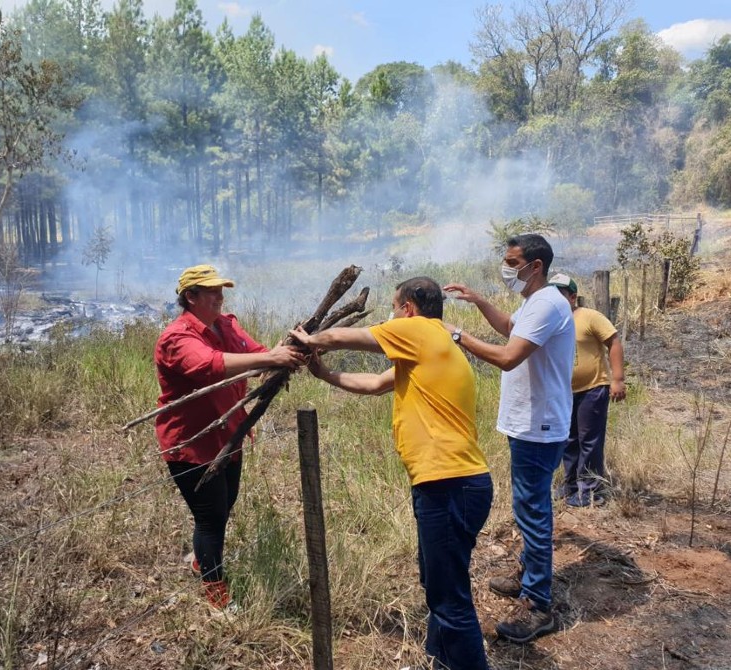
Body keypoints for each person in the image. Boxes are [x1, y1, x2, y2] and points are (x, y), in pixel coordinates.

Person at [290, 277, 492, 670]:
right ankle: (441, 660)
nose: (392, 315)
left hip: (449, 484)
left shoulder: (419, 330)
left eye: (394, 307)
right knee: (438, 585)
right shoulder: (429, 349)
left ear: (409, 308)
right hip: (450, 484)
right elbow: (373, 384)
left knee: (450, 600)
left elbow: (348, 337)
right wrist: (325, 374)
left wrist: (309, 340)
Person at [443, 234, 574, 644]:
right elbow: (510, 329)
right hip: (529, 423)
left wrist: (457, 335)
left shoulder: (549, 303)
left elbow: (507, 356)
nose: (507, 269)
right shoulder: (534, 301)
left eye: (513, 262)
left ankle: (538, 603)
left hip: (540, 426)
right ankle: (529, 573)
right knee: (527, 506)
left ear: (536, 266)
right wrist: (479, 301)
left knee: (533, 509)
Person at [154, 264, 303, 609]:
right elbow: (210, 364)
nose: (219, 297)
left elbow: (257, 355)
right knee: (210, 518)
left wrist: (288, 351)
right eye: (211, 291)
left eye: (220, 290)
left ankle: (200, 560)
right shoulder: (176, 338)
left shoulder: (226, 325)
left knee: (224, 505)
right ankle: (216, 592)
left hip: (229, 435)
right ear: (191, 297)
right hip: (192, 444)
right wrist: (272, 357)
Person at [549, 273, 626, 507]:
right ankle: (571, 484)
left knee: (589, 440)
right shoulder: (551, 321)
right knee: (568, 439)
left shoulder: (590, 317)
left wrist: (618, 379)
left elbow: (613, 342)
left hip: (592, 389)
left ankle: (591, 490)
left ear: (573, 297)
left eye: (561, 295)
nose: (555, 299)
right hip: (563, 392)